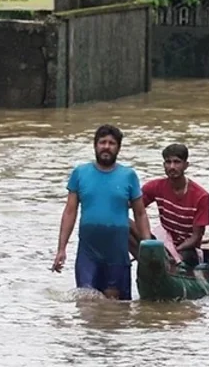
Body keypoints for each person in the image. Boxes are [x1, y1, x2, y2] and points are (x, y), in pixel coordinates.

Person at [52, 125, 151, 300]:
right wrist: (61, 248)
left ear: (118, 148)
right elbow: (70, 211)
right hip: (88, 253)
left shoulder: (128, 176)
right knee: (86, 301)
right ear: (95, 145)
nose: (106, 146)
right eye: (102, 142)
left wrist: (148, 246)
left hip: (117, 254)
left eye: (112, 143)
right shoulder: (80, 173)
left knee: (117, 308)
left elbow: (140, 213)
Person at [135, 143, 209, 267]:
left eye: (177, 162)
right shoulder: (155, 187)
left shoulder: (201, 196)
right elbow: (133, 206)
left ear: (186, 165)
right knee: (127, 224)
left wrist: (174, 252)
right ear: (164, 165)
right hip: (164, 242)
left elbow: (196, 238)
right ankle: (145, 261)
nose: (172, 167)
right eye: (168, 162)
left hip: (187, 248)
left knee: (182, 258)